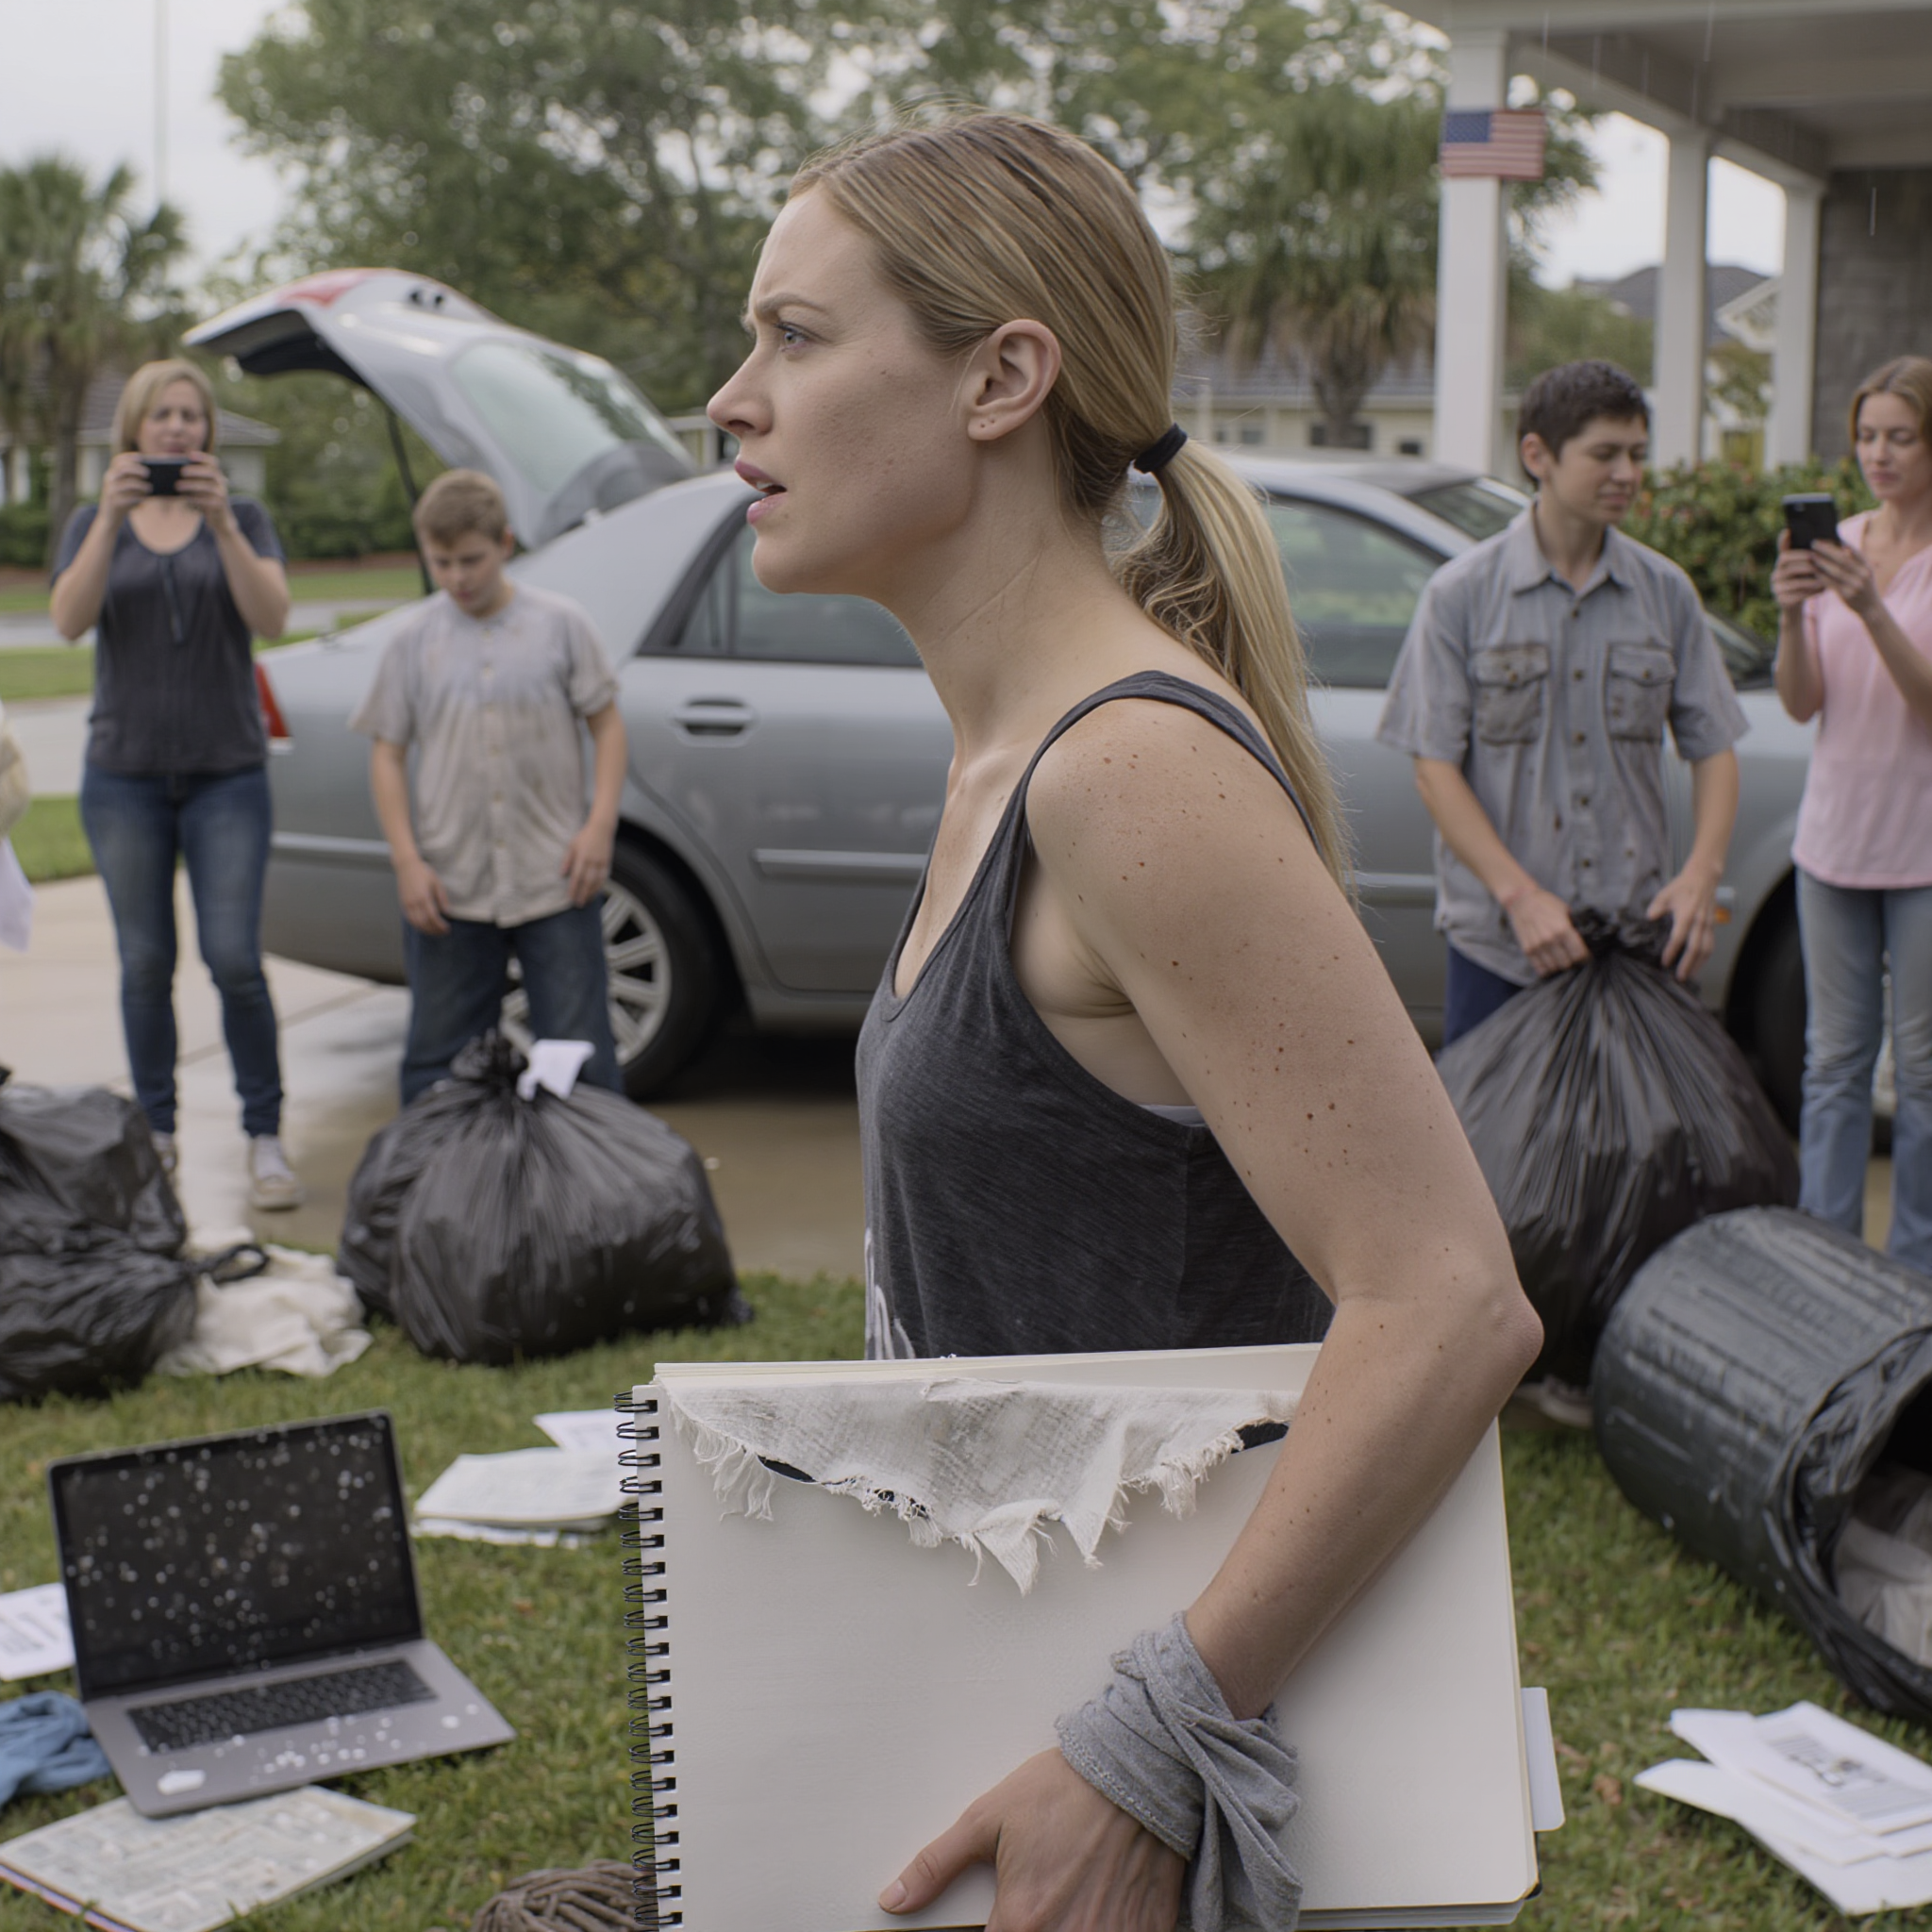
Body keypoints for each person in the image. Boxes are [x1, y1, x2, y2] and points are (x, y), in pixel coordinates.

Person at [707, 111, 1541, 1932]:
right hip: (1009, 1709)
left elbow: (1448, 1300)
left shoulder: (1130, 769)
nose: (729, 400)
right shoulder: (1005, 754)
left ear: (1003, 374)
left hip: (1159, 1796)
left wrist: (1143, 1747)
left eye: (793, 334)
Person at [1378, 359, 1748, 1054]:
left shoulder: (1666, 593)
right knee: (1494, 1160)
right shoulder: (1462, 595)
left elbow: (1714, 745)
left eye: (1637, 455)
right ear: (1536, 455)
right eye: (1605, 454)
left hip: (1633, 943)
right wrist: (1521, 897)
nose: (1628, 474)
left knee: (1635, 1159)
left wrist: (1701, 875)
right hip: (1502, 947)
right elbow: (1435, 767)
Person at [49, 358, 303, 1210]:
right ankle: (156, 1135)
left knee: (234, 960)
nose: (178, 429)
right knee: (143, 964)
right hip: (122, 777)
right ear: (133, 428)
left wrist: (222, 524)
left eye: (192, 416)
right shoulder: (95, 518)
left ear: (208, 431)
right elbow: (68, 621)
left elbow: (272, 618)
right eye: (163, 416)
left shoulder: (245, 516)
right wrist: (112, 515)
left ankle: (264, 1136)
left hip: (225, 774)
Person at [352, 469, 627, 1104]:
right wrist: (407, 862)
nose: (457, 578)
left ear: (504, 544)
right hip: (451, 885)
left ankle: (589, 1195)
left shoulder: (562, 626)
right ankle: (443, 1190)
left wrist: (599, 826)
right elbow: (387, 754)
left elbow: (607, 726)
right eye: (441, 562)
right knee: (440, 1065)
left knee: (580, 1056)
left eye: (471, 559)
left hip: (554, 876)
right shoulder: (412, 642)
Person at [1772, 356, 1932, 1275]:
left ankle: (1911, 1275)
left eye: (1898, 436)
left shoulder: (1886, 570)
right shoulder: (1841, 541)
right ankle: (1821, 1261)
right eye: (1865, 435)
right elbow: (1801, 704)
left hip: (1920, 854)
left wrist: (1868, 606)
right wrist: (1793, 617)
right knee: (1831, 1064)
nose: (1876, 453)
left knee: (1920, 1075)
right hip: (1831, 843)